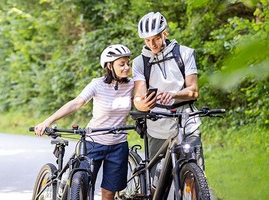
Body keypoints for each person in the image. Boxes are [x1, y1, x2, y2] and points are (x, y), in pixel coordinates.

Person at [34, 44, 134, 200]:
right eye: (122, 64)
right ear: (109, 66)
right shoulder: (97, 84)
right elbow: (76, 103)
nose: (127, 67)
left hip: (118, 145)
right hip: (94, 142)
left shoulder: (132, 85)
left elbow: (143, 100)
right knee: (82, 189)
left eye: (128, 63)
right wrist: (48, 120)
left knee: (109, 193)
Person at [132, 12, 204, 174]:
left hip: (187, 123)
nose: (152, 44)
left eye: (156, 38)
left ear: (165, 33)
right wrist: (141, 103)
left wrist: (172, 94)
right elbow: (139, 95)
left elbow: (193, 91)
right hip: (157, 126)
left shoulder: (184, 53)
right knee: (156, 181)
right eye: (148, 40)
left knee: (194, 174)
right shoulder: (139, 63)